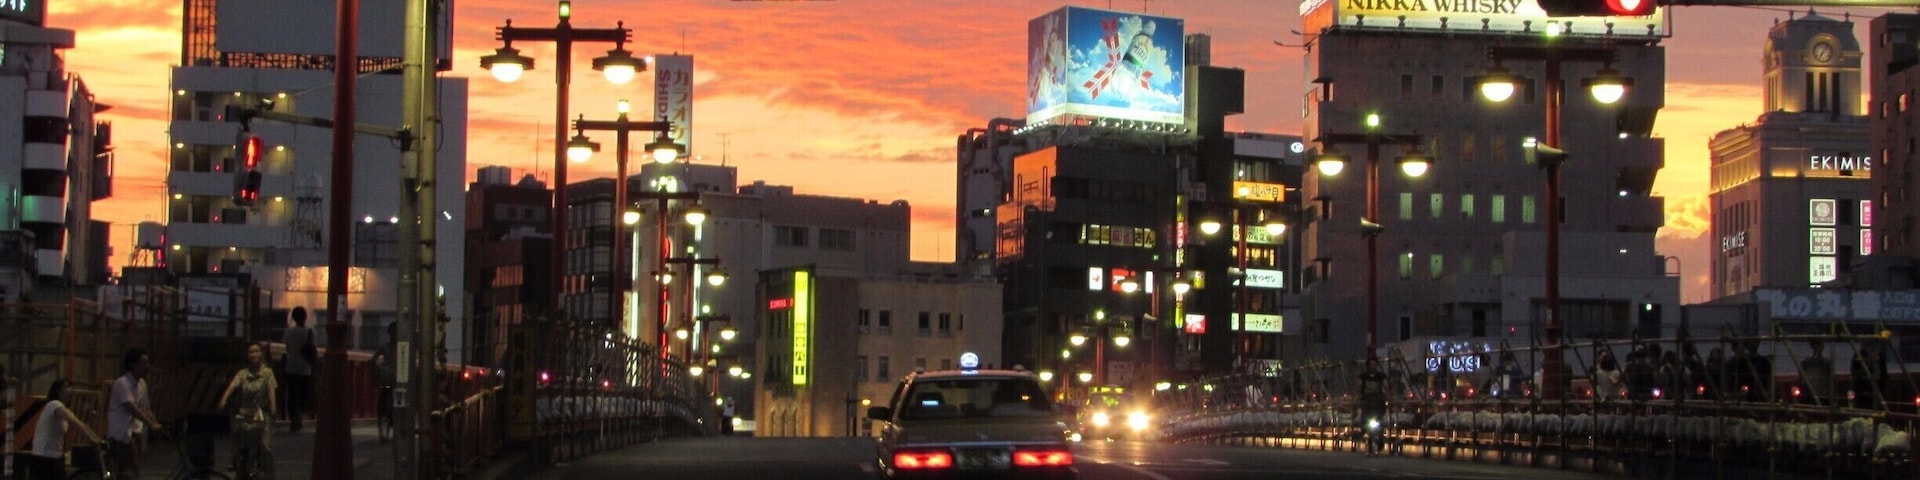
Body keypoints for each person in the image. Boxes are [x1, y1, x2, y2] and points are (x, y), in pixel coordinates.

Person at [219, 342, 279, 480]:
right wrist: (223, 400)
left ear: (262, 354)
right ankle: (236, 463)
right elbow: (232, 387)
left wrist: (273, 408)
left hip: (262, 415)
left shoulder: (267, 373)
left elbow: (271, 391)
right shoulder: (243, 373)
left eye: (257, 351)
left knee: (266, 447)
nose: (254, 354)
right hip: (245, 414)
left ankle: (269, 475)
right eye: (251, 352)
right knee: (236, 438)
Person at [25, 379, 104, 480]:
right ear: (58, 391)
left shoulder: (63, 409)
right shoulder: (54, 405)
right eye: (67, 387)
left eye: (71, 387)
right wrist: (94, 439)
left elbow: (79, 424)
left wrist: (96, 438)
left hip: (56, 457)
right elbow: (76, 422)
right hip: (44, 457)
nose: (71, 390)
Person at [108, 349, 164, 478]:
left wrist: (156, 424)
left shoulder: (142, 384)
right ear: (133, 364)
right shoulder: (122, 383)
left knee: (135, 469)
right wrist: (151, 424)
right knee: (127, 471)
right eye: (144, 363)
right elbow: (132, 408)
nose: (147, 367)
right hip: (121, 434)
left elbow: (146, 409)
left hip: (135, 433)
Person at [281, 306, 316, 433]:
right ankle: (299, 416)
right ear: (305, 317)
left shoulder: (288, 332)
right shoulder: (310, 332)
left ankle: (293, 419)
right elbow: (312, 350)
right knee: (302, 395)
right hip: (305, 369)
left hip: (290, 367)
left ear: (293, 318)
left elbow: (286, 348)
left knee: (292, 394)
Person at [370, 322, 397, 442]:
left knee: (388, 399)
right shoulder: (387, 347)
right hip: (389, 378)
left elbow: (373, 360)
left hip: (392, 378)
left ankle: (388, 423)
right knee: (385, 398)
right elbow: (373, 360)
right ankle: (387, 423)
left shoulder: (385, 346)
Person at [1355, 357, 1388, 457]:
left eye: (1375, 365)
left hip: (1378, 403)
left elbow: (1386, 386)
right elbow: (1359, 387)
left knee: (1381, 421)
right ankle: (1364, 435)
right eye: (1371, 365)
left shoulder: (1381, 376)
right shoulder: (1363, 376)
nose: (1373, 367)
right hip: (1367, 403)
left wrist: (1386, 394)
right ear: (1368, 366)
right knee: (1364, 420)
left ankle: (1380, 439)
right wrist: (1359, 394)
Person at [1800, 340, 1834, 406]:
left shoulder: (1826, 363)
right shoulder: (1805, 363)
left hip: (1822, 395)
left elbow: (1830, 380)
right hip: (1810, 395)